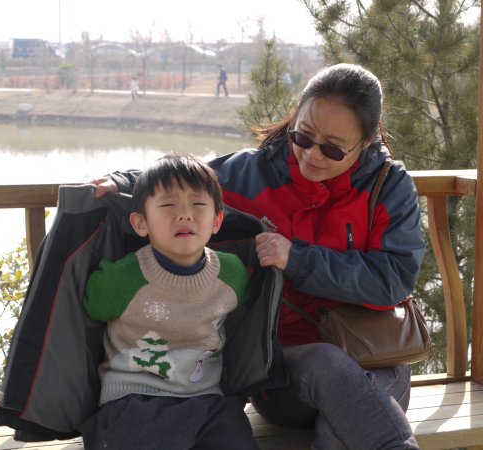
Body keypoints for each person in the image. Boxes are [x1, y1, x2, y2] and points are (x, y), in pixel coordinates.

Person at [91, 63, 424, 449]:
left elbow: (394, 281)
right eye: (303, 136)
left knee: (357, 413)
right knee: (335, 373)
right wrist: (124, 180)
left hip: (374, 354)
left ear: (366, 143)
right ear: (293, 119)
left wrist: (297, 259)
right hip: (284, 372)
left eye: (332, 147)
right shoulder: (251, 174)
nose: (312, 155)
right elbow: (181, 181)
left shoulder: (389, 186)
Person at [81, 153, 259, 450]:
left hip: (208, 398)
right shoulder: (120, 279)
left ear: (217, 220)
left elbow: (244, 315)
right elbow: (92, 306)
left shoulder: (232, 274)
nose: (185, 214)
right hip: (135, 397)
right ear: (140, 223)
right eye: (167, 205)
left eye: (198, 205)